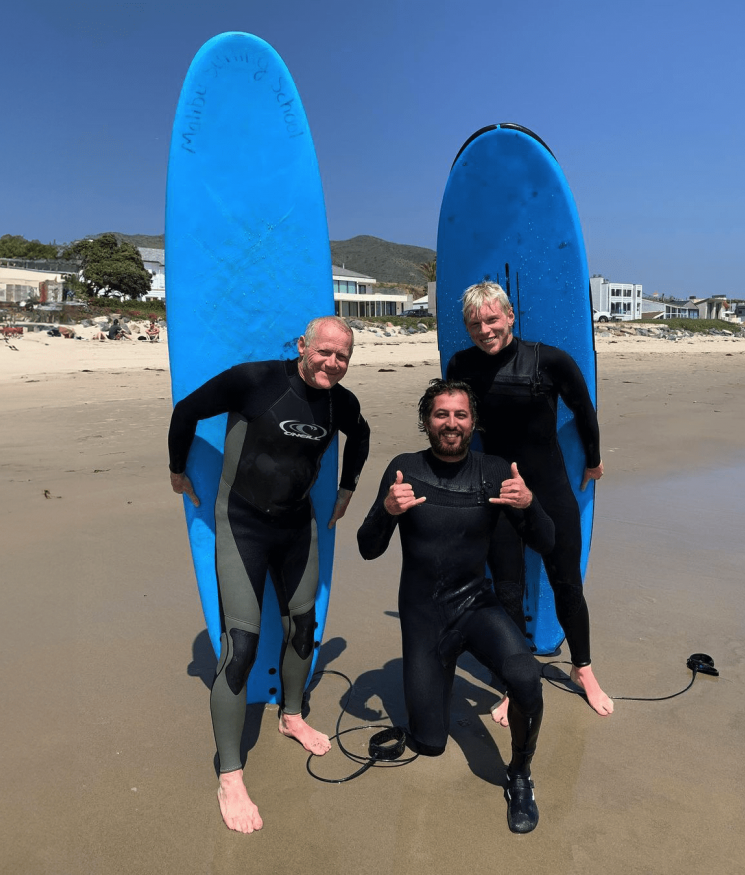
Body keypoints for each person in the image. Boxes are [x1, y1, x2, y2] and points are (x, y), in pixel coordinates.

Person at [168, 315, 370, 834]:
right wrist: (177, 470)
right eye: (324, 352)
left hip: (297, 528)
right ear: (303, 346)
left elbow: (362, 434)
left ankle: (293, 714)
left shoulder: (338, 402)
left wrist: (346, 488)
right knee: (242, 645)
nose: (332, 363)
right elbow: (187, 410)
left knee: (304, 627)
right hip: (242, 527)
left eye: (342, 357)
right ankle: (230, 774)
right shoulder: (253, 380)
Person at [357, 379, 554, 833]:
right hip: (423, 616)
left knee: (526, 676)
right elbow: (368, 548)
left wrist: (528, 504)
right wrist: (387, 510)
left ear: (473, 422)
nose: (451, 423)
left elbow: (546, 540)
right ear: (426, 421)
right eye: (441, 414)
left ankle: (520, 776)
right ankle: (434, 688)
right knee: (430, 743)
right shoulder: (404, 468)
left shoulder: (495, 470)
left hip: (474, 605)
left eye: (460, 415)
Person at [446, 282, 612, 721]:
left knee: (566, 583)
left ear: (510, 316)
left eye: (492, 319)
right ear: (466, 326)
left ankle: (583, 670)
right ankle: (516, 679)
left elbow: (583, 412)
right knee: (507, 590)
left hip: (550, 488)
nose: (485, 329)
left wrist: (593, 462)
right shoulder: (460, 365)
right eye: (475, 323)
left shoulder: (550, 360)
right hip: (497, 490)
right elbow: (458, 426)